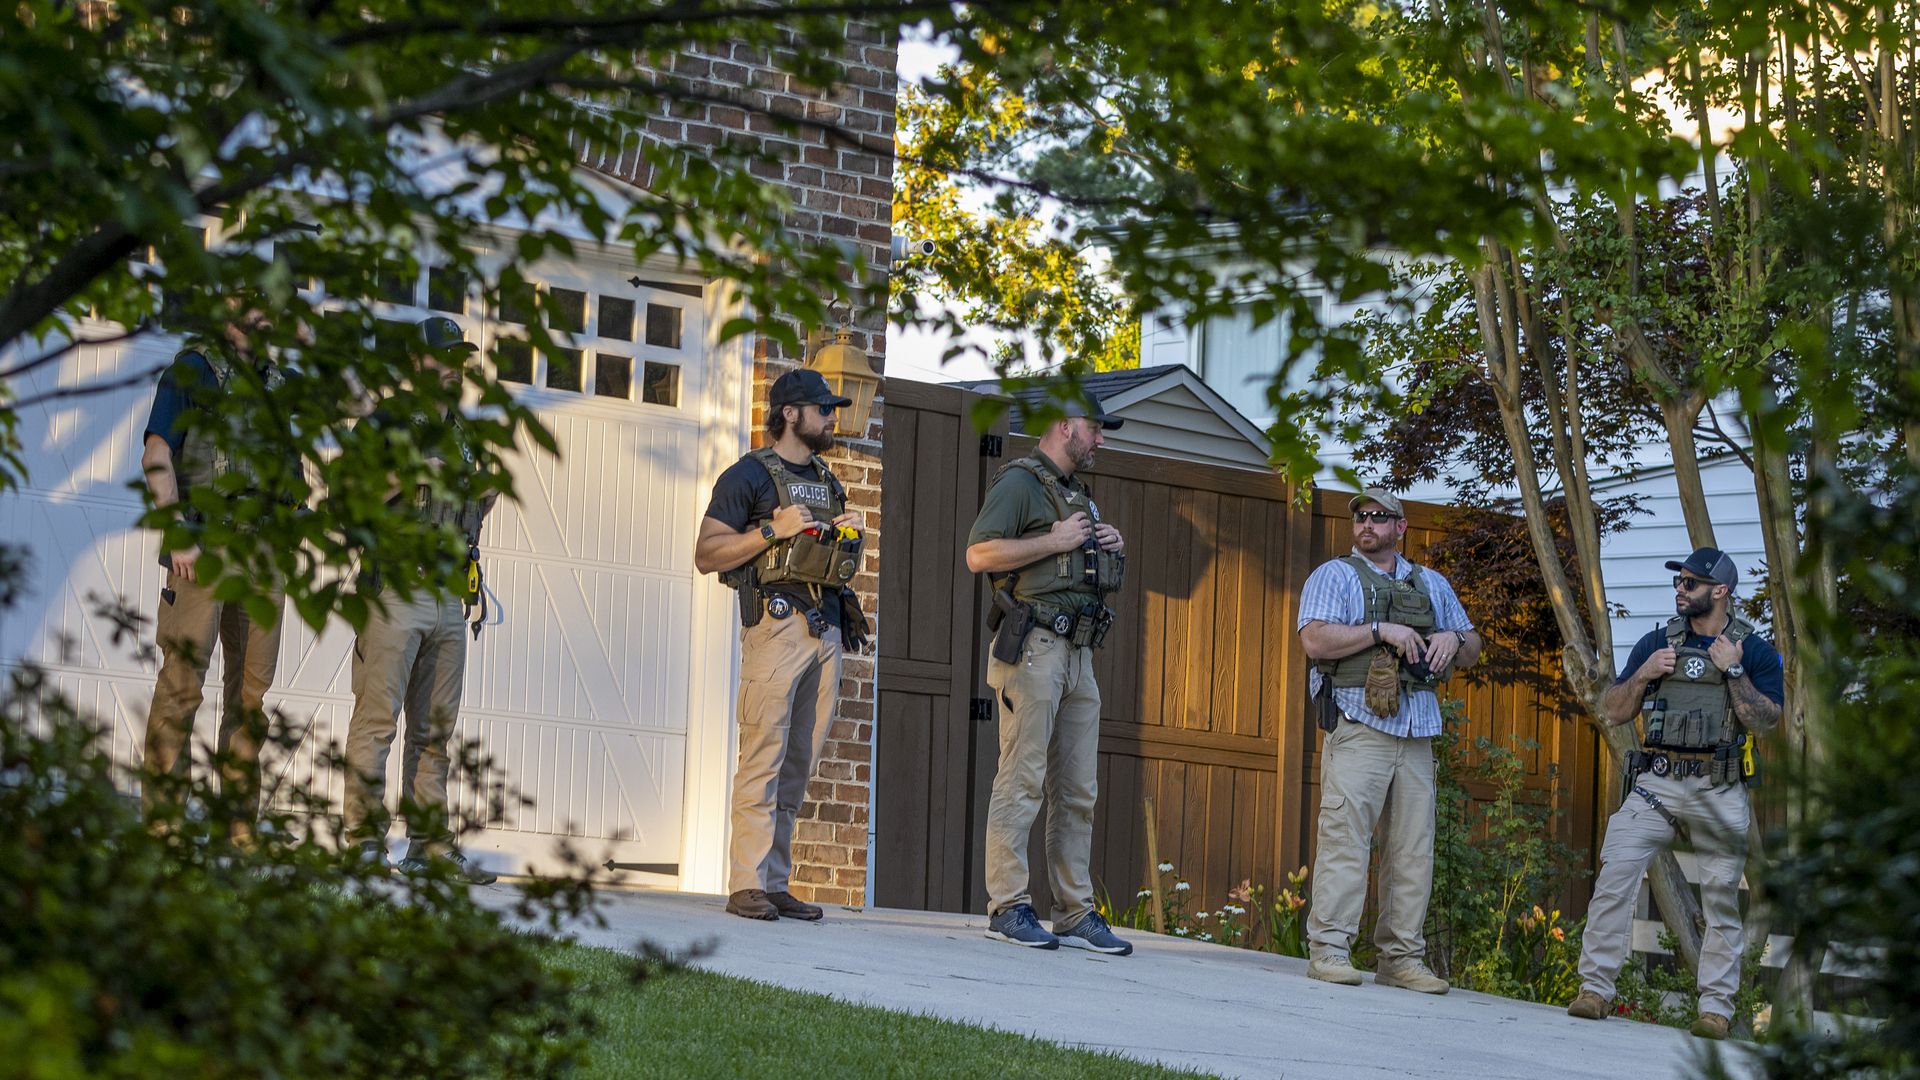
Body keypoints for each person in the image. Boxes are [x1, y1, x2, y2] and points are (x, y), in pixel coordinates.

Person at [1566, 546, 1783, 1040]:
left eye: (1691, 583)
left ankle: (1716, 1010)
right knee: (1615, 873)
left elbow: (1766, 722)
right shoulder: (1656, 642)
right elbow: (1615, 712)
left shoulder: (1754, 650)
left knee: (1722, 899)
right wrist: (1644, 674)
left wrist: (1733, 670)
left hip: (1718, 785)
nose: (1680, 590)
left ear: (1720, 591)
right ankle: (1595, 990)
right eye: (1679, 582)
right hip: (1657, 782)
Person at [695, 368, 871, 922]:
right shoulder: (747, 475)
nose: (832, 419)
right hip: (774, 628)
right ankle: (745, 882)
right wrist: (774, 530)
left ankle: (774, 881)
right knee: (763, 757)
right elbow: (706, 553)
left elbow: (832, 561)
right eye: (823, 410)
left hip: (824, 628)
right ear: (790, 413)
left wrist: (846, 534)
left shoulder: (825, 478)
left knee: (798, 763)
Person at [963, 392, 1131, 955]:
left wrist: (1108, 545)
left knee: (1079, 790)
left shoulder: (1076, 492)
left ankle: (1074, 911)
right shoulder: (1020, 482)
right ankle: (1008, 905)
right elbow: (978, 555)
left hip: (1081, 655)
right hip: (1035, 647)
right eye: (1096, 429)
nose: (1102, 439)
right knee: (1023, 777)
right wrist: (1055, 541)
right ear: (1064, 426)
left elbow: (1075, 561)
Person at [1297, 489, 1480, 992]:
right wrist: (1381, 630)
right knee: (1344, 840)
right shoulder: (1334, 576)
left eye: (1380, 517)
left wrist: (1453, 639)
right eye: (1361, 516)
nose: (1367, 524)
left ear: (1401, 527)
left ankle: (1401, 958)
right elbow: (1313, 639)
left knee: (1413, 850)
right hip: (1359, 727)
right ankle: (1331, 949)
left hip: (1417, 732)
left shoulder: (1433, 584)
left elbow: (1473, 647)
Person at [343, 316, 499, 883]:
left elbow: (475, 505)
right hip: (394, 589)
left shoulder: (462, 430)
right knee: (378, 719)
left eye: (459, 360)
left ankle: (430, 846)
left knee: (435, 730)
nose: (453, 369)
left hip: (447, 595)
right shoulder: (385, 422)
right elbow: (349, 497)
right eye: (443, 358)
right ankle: (362, 842)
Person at [138, 300, 297, 839]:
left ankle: (237, 826)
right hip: (203, 548)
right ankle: (164, 824)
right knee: (182, 685)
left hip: (264, 556)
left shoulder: (279, 382)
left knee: (251, 693)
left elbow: (356, 403)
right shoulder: (194, 368)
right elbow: (157, 451)